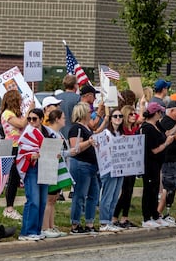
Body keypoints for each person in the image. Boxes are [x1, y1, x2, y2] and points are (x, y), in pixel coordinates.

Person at [16, 108, 53, 241]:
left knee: (42, 201)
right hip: (31, 168)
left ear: (41, 119)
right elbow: (22, 151)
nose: (31, 122)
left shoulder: (47, 133)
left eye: (34, 119)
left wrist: (55, 154)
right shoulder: (26, 133)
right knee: (33, 200)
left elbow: (51, 148)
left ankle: (36, 230)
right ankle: (27, 231)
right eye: (29, 119)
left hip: (44, 167)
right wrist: (31, 156)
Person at [140, 102, 175, 227]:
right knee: (149, 190)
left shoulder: (157, 126)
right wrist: (166, 143)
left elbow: (164, 135)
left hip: (157, 163)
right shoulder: (147, 128)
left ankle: (155, 214)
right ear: (155, 113)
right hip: (149, 163)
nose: (161, 115)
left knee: (155, 190)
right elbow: (153, 149)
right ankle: (146, 217)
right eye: (160, 113)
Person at [67, 102, 100, 234]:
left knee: (94, 194)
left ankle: (89, 222)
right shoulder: (75, 129)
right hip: (81, 164)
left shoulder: (87, 128)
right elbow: (75, 148)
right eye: (88, 112)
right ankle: (75, 224)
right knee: (80, 195)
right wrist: (89, 142)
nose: (90, 114)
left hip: (91, 165)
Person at [42, 108, 71, 238]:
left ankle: (51, 226)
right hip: (50, 169)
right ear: (57, 119)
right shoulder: (50, 132)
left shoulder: (59, 133)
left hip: (58, 167)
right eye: (63, 117)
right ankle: (45, 227)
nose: (65, 120)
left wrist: (69, 153)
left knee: (53, 199)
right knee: (49, 199)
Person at [0, 89, 29, 221]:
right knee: (13, 178)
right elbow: (21, 124)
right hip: (12, 146)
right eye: (19, 100)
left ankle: (11, 206)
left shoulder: (17, 113)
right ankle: (9, 207)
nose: (21, 102)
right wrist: (29, 111)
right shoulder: (7, 113)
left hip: (20, 146)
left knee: (17, 178)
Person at [97, 108, 126, 232]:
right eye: (115, 116)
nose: (118, 118)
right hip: (109, 168)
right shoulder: (106, 133)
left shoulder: (121, 133)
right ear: (110, 119)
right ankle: (104, 221)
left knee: (115, 196)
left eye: (120, 116)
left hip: (120, 167)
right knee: (108, 195)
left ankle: (110, 220)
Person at [112, 105, 140, 228]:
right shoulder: (122, 130)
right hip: (123, 164)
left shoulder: (135, 129)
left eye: (134, 114)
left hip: (133, 163)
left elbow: (140, 117)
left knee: (129, 191)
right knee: (124, 191)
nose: (134, 116)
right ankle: (114, 217)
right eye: (131, 114)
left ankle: (125, 217)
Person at [58, 74, 80, 138]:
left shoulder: (56, 98)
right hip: (73, 133)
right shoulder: (78, 98)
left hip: (58, 132)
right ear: (75, 85)